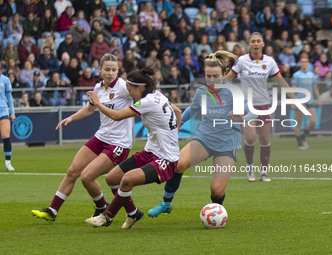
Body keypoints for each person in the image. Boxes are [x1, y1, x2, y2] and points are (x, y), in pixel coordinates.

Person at [147, 51, 252, 218]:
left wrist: (240, 115)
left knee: (217, 191)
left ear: (224, 74)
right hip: (204, 138)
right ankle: (166, 204)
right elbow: (192, 109)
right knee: (177, 164)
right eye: (208, 76)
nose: (211, 79)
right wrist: (179, 122)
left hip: (227, 144)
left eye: (216, 76)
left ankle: (216, 212)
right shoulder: (202, 92)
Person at [31, 54, 134, 222]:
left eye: (114, 70)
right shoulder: (99, 87)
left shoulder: (124, 87)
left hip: (119, 143)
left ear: (118, 70)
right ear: (99, 70)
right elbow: (89, 109)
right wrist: (71, 118)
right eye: (107, 69)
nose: (110, 73)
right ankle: (52, 210)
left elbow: (145, 97)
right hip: (101, 137)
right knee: (73, 171)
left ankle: (116, 209)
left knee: (87, 177)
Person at [85, 67, 181, 229]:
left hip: (166, 159)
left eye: (130, 90)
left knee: (127, 180)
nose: (129, 93)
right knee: (111, 178)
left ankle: (107, 217)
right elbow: (177, 111)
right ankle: (133, 213)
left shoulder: (147, 102)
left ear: (140, 88)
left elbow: (116, 116)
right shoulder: (157, 94)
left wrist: (98, 103)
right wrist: (173, 133)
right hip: (150, 152)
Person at [225, 32, 296, 182]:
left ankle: (264, 172)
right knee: (250, 138)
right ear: (249, 44)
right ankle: (249, 168)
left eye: (258, 41)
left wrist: (294, 100)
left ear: (263, 44)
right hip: (246, 105)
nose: (256, 44)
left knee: (264, 139)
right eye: (253, 41)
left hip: (264, 104)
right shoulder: (242, 61)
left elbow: (281, 82)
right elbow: (227, 79)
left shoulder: (270, 62)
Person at [292, 57, 322, 150]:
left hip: (310, 101)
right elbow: (293, 88)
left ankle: (303, 136)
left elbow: (315, 87)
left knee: (313, 121)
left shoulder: (311, 75)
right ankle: (300, 144)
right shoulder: (296, 75)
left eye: (305, 61)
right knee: (298, 123)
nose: (304, 63)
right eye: (302, 62)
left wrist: (319, 99)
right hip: (300, 101)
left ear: (308, 63)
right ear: (300, 63)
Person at [0, 71, 15, 171]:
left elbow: (9, 97)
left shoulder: (5, 79)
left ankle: (8, 163)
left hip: (3, 111)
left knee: (6, 136)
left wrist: (12, 112)